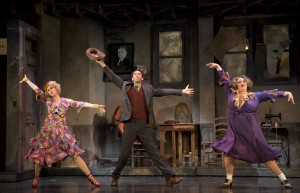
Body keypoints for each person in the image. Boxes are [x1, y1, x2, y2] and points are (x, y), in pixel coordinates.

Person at [94, 59, 194, 187]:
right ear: (132, 77)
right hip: (130, 124)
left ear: (142, 78)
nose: (137, 75)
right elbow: (113, 77)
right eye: (135, 74)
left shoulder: (148, 89)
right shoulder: (126, 86)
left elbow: (163, 92)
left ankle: (170, 177)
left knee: (155, 153)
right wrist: (103, 64)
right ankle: (115, 177)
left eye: (139, 74)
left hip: (143, 125)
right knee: (124, 154)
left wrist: (181, 91)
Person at [206, 63, 295, 189]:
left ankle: (283, 178)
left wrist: (286, 93)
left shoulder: (255, 96)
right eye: (239, 82)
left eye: (244, 81)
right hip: (235, 132)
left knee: (265, 155)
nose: (242, 83)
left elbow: (270, 93)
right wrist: (218, 67)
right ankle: (229, 179)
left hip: (252, 132)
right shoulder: (231, 94)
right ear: (236, 85)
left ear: (247, 84)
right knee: (229, 153)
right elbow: (225, 80)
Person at [19, 75, 106, 188]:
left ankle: (91, 178)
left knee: (75, 153)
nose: (50, 90)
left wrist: (95, 106)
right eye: (48, 89)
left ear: (56, 89)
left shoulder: (66, 101)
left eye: (52, 88)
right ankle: (36, 179)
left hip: (62, 132)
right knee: (40, 154)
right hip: (48, 131)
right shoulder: (48, 100)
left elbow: (80, 103)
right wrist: (27, 81)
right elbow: (37, 90)